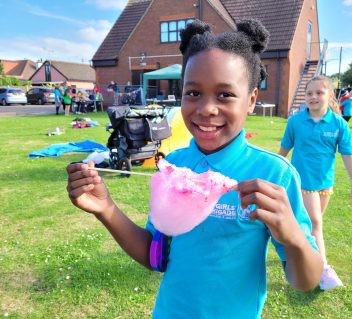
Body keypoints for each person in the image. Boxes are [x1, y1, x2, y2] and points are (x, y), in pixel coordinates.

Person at [66, 19, 323, 318]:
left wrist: (293, 236)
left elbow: (306, 281)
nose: (206, 109)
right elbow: (156, 256)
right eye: (193, 93)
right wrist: (105, 208)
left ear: (251, 100)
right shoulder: (173, 164)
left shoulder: (274, 174)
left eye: (225, 94)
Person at [279, 75, 352, 291]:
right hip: (302, 182)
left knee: (310, 225)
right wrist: (276, 174)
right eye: (309, 93)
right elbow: (284, 151)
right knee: (315, 223)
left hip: (325, 185)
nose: (313, 97)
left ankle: (297, 251)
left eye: (319, 92)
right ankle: (322, 270)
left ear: (330, 95)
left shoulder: (339, 125)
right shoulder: (295, 122)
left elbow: (348, 155)